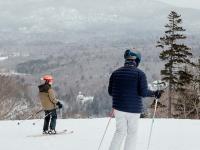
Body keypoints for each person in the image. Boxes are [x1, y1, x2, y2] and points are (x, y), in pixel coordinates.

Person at [108, 49, 162, 150]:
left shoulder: (115, 73)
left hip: (118, 109)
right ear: (136, 61)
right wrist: (154, 94)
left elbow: (111, 92)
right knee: (132, 134)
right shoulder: (140, 74)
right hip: (133, 110)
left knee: (120, 132)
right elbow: (143, 92)